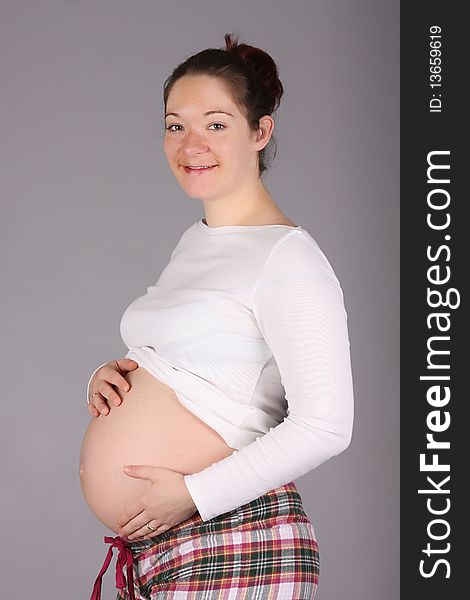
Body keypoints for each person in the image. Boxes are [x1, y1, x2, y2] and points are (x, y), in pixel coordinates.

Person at [85, 32, 354, 600]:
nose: (190, 143)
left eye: (216, 123)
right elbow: (202, 361)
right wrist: (118, 375)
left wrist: (194, 496)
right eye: (174, 124)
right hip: (170, 546)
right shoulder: (199, 239)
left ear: (259, 132)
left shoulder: (287, 258)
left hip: (236, 539)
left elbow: (326, 425)